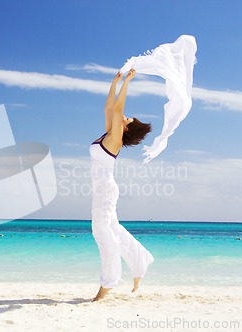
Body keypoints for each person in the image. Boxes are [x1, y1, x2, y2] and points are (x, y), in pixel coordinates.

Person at [90, 69, 154, 301]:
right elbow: (110, 108)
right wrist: (114, 82)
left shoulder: (115, 139)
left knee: (103, 232)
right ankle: (140, 264)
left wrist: (128, 81)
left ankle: (108, 283)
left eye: (128, 119)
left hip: (105, 190)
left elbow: (117, 110)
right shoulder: (108, 133)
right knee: (113, 230)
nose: (124, 116)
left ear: (125, 128)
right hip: (103, 189)